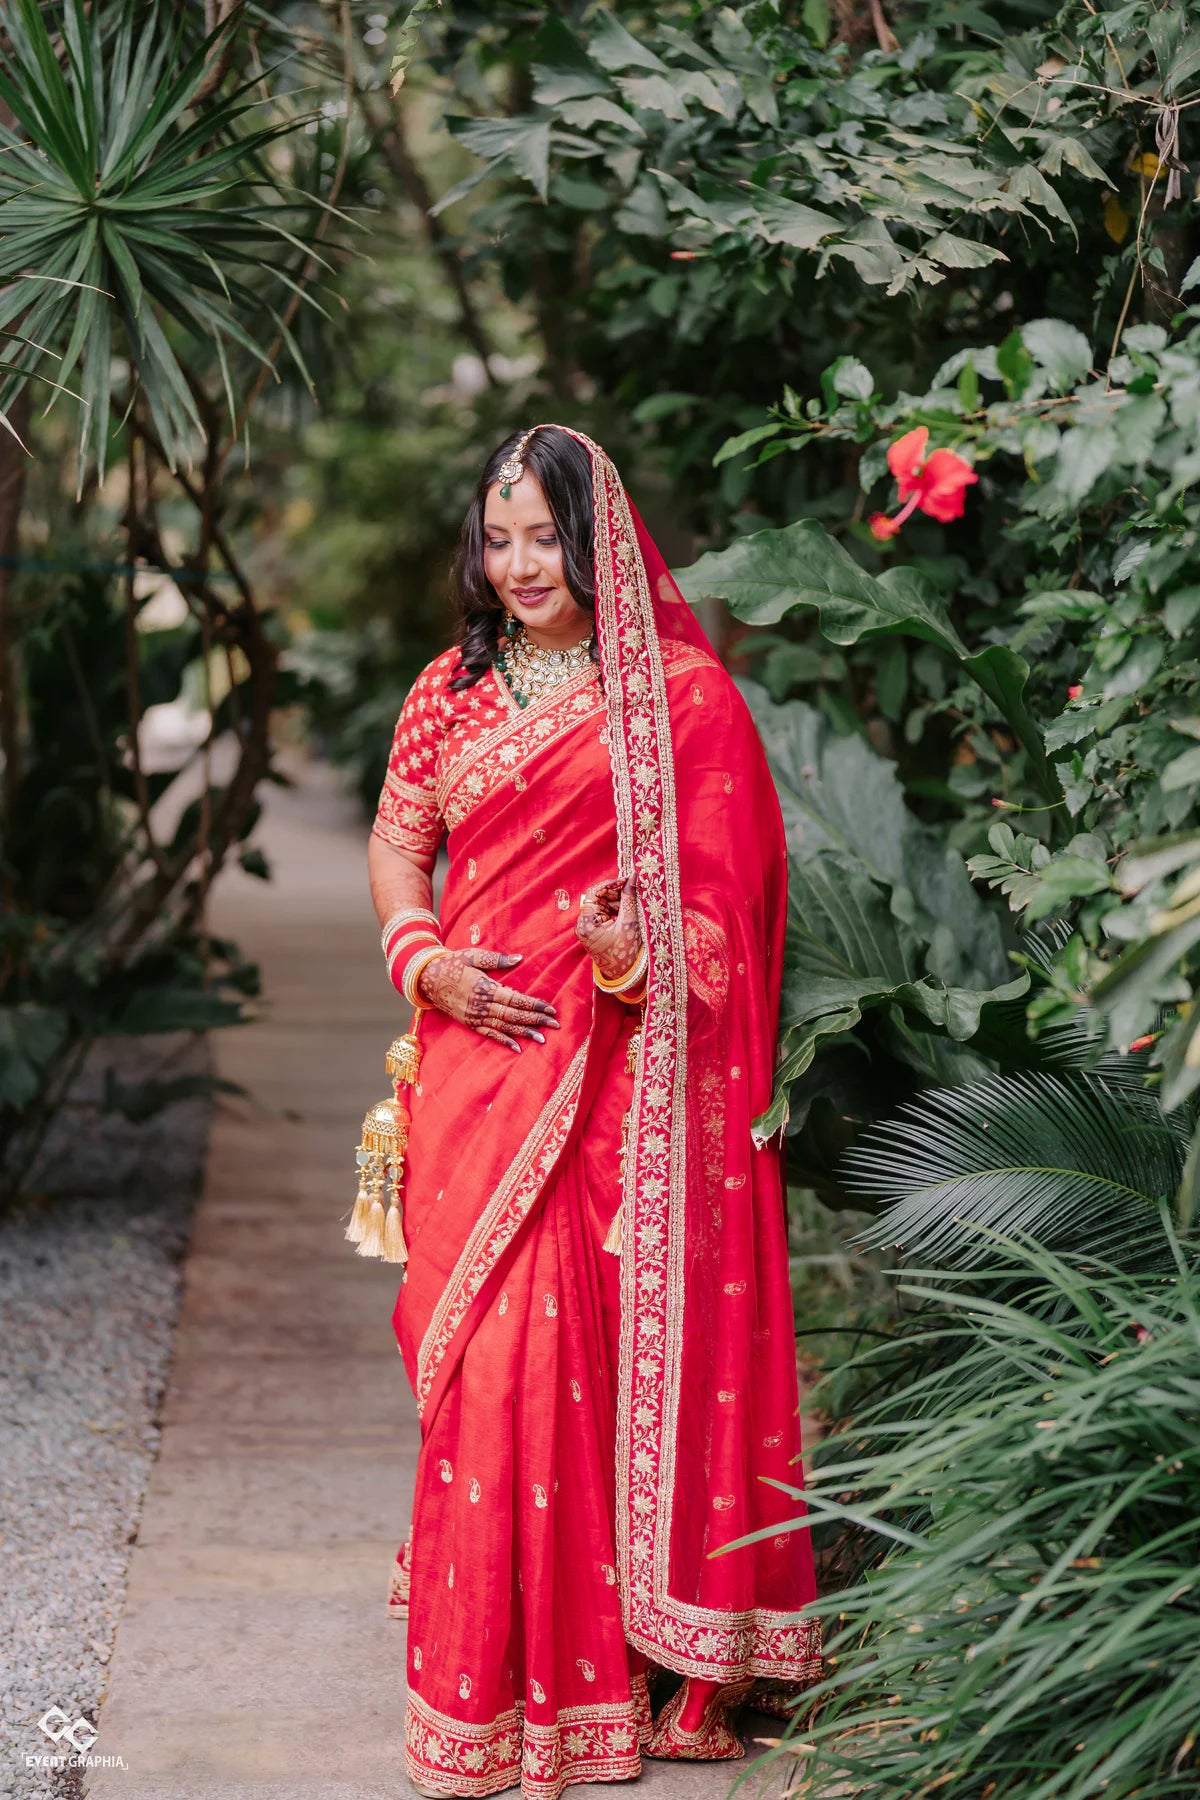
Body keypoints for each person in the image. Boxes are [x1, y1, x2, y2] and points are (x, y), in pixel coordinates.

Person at [366, 424, 819, 1799]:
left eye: (544, 536)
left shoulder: (683, 702)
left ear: (599, 539)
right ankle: (492, 1674)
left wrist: (629, 954)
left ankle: (603, 1671)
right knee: (477, 1372)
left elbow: (727, 924)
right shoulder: (450, 688)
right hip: (472, 1070)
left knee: (559, 1364)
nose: (518, 565)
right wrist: (425, 956)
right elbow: (400, 840)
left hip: (618, 1082)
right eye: (497, 539)